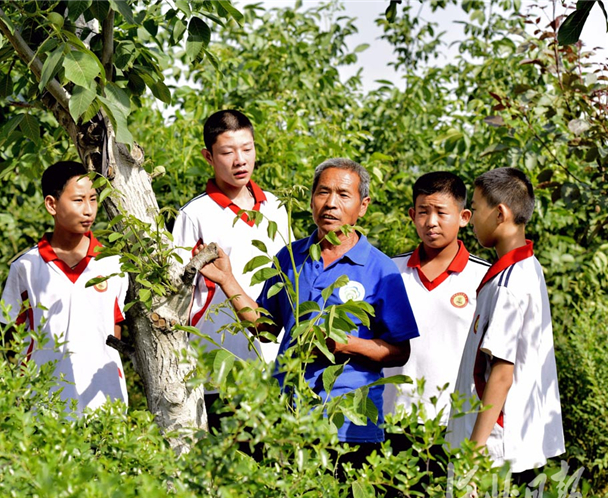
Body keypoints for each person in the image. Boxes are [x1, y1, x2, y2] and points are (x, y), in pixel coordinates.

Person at [199, 157, 420, 463]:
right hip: (287, 418)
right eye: (323, 193)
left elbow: (399, 351)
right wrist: (226, 279)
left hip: (348, 424)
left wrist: (345, 344)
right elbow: (265, 329)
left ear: (363, 205)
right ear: (311, 199)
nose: (331, 203)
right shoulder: (290, 257)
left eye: (343, 195)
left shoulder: (380, 268)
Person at [172, 110, 289, 427]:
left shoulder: (276, 207)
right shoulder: (194, 215)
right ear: (208, 156)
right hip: (216, 365)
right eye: (227, 152)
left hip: (273, 361)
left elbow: (287, 285)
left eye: (247, 148)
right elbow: (177, 295)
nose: (240, 160)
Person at [447, 167, 565, 478]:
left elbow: (501, 373)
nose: (471, 218)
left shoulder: (508, 284)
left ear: (500, 214)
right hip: (516, 444)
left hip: (495, 453)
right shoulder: (527, 266)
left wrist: (473, 456)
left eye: (476, 207)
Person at [0, 161, 129, 416]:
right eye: (78, 200)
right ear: (52, 204)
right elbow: (9, 339)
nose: (89, 210)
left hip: (105, 401)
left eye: (93, 199)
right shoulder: (26, 267)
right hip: (42, 404)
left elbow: (115, 329)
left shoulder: (113, 263)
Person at [384, 172, 490, 426]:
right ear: (412, 215)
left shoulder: (484, 278)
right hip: (394, 419)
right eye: (423, 212)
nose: (431, 222)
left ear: (464, 218)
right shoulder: (389, 272)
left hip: (457, 420)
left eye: (441, 213)